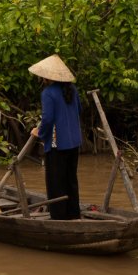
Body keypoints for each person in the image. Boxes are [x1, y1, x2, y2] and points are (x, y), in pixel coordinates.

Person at [29, 54, 82, 220]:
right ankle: (73, 214)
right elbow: (78, 111)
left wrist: (39, 133)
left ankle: (58, 217)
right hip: (74, 142)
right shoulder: (72, 90)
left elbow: (48, 118)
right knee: (70, 180)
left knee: (55, 182)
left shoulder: (48, 93)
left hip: (57, 144)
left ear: (46, 77)